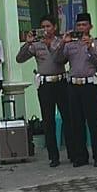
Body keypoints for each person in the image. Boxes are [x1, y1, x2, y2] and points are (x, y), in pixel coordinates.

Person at [17, 15, 68, 168]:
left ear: (55, 27)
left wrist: (51, 45)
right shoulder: (36, 44)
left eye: (48, 26)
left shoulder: (60, 42)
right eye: (43, 27)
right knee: (48, 120)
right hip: (45, 85)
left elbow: (63, 59)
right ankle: (53, 156)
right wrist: (28, 43)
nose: (46, 30)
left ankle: (73, 153)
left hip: (61, 82)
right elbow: (20, 58)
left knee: (68, 118)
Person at [57, 12, 97, 167]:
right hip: (73, 86)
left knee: (94, 122)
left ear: (90, 26)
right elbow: (58, 60)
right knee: (76, 123)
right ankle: (80, 157)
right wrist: (62, 43)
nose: (81, 28)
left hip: (89, 86)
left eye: (84, 25)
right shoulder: (70, 43)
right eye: (78, 25)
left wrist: (90, 47)